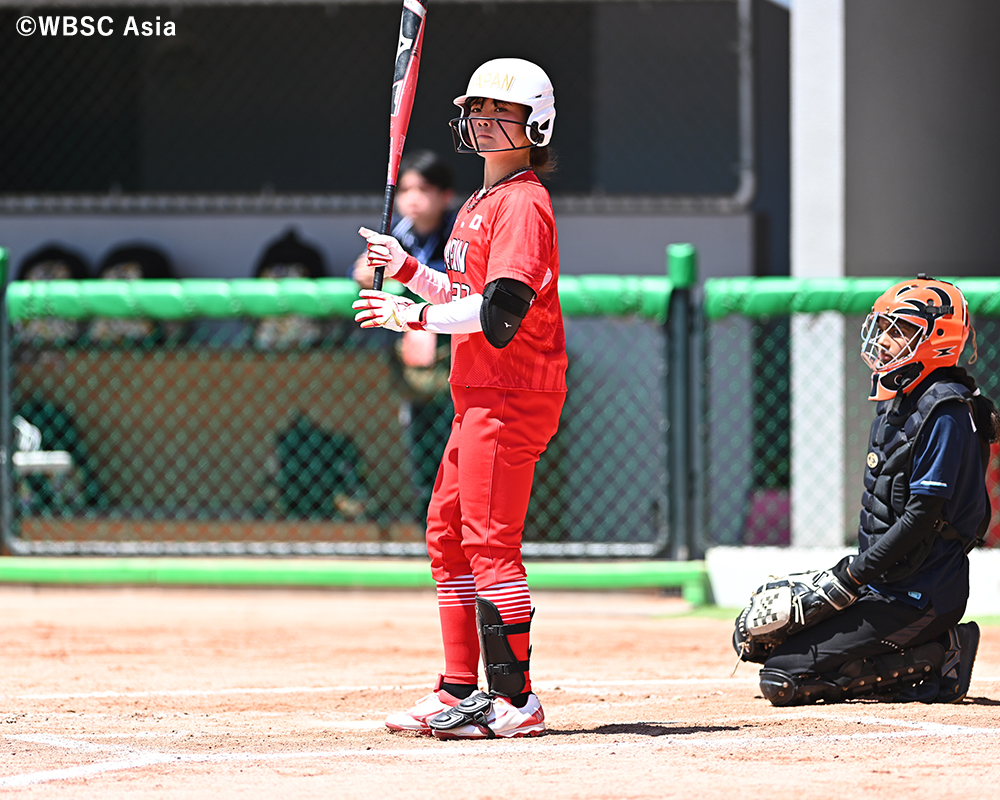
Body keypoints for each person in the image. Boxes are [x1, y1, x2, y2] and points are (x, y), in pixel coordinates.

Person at [352, 58, 566, 739]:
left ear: (534, 124)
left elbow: (498, 313)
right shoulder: (477, 203)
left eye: (498, 111)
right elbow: (460, 291)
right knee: (446, 538)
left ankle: (516, 700)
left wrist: (408, 317)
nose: (481, 121)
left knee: (489, 544)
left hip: (511, 391)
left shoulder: (525, 202)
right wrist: (409, 269)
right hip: (477, 393)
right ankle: (457, 689)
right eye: (476, 109)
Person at [735, 275, 998, 706]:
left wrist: (850, 577)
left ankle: (943, 651)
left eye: (903, 331)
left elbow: (921, 517)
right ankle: (919, 644)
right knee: (756, 639)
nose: (888, 340)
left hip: (922, 596)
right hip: (885, 584)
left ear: (939, 338)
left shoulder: (946, 411)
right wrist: (850, 581)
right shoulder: (900, 401)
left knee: (784, 678)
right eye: (886, 328)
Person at [350, 151, 458, 514]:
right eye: (406, 189)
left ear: (445, 195)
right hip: (413, 348)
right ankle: (430, 516)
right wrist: (366, 272)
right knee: (423, 440)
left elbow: (456, 284)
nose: (412, 197)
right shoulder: (397, 233)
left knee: (458, 442)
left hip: (458, 346)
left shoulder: (458, 231)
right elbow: (368, 273)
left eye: (424, 188)